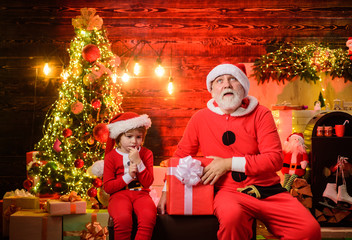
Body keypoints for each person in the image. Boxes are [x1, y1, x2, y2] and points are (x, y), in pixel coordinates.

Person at [157, 63, 321, 240]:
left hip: (268, 191)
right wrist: (168, 190)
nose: (226, 84)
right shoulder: (200, 118)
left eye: (233, 79)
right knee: (231, 220)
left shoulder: (261, 114)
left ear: (243, 87)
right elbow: (181, 156)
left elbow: (274, 159)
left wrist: (227, 163)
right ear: (212, 90)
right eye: (219, 80)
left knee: (309, 230)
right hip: (228, 193)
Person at [103, 112, 157, 240]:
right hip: (119, 195)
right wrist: (128, 176)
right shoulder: (111, 157)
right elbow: (108, 187)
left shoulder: (146, 153)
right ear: (118, 138)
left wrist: (139, 162)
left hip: (141, 194)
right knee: (122, 219)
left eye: (139, 137)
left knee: (148, 217)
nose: (134, 141)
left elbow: (148, 182)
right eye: (129, 136)